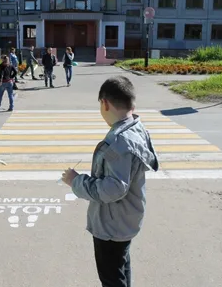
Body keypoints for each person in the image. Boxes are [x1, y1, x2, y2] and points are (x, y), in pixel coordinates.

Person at [61, 76, 159, 287]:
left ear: (104, 103)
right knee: (121, 267)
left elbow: (114, 189)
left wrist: (76, 181)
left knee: (112, 277)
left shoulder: (118, 142)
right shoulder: (136, 127)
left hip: (111, 226)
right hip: (126, 218)